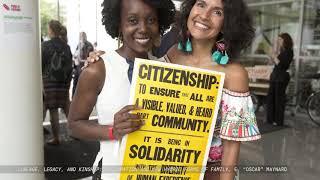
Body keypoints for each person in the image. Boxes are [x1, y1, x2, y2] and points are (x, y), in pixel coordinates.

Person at [67, 0, 175, 179]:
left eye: (151, 20)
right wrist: (112, 131)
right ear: (119, 24)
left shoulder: (166, 68)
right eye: (133, 20)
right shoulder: (98, 69)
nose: (143, 28)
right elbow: (74, 126)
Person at [162, 0, 261, 179]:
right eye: (201, 4)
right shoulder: (173, 53)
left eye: (217, 12)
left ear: (227, 24)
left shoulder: (235, 74)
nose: (204, 16)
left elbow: (231, 146)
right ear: (190, 9)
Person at [42, 20, 72, 145]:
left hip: (50, 81)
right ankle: (76, 132)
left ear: (51, 30)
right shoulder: (66, 45)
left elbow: (41, 63)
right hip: (63, 81)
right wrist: (68, 81)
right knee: (67, 107)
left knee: (53, 109)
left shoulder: (45, 45)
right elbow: (70, 64)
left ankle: (56, 138)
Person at [267, 33, 294, 126]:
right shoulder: (281, 51)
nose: (278, 42)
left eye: (280, 40)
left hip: (282, 77)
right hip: (275, 75)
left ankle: (278, 121)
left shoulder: (289, 52)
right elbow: (272, 62)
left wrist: (275, 56)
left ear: (285, 41)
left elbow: (282, 64)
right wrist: (273, 55)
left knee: (279, 100)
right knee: (270, 98)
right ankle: (270, 120)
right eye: (278, 40)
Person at [72, 32, 94, 97]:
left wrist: (83, 61)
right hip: (78, 67)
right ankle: (74, 99)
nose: (81, 38)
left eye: (82, 36)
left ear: (85, 36)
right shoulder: (79, 45)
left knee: (84, 84)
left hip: (85, 67)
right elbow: (75, 54)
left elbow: (91, 57)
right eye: (80, 36)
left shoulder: (89, 45)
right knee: (75, 84)